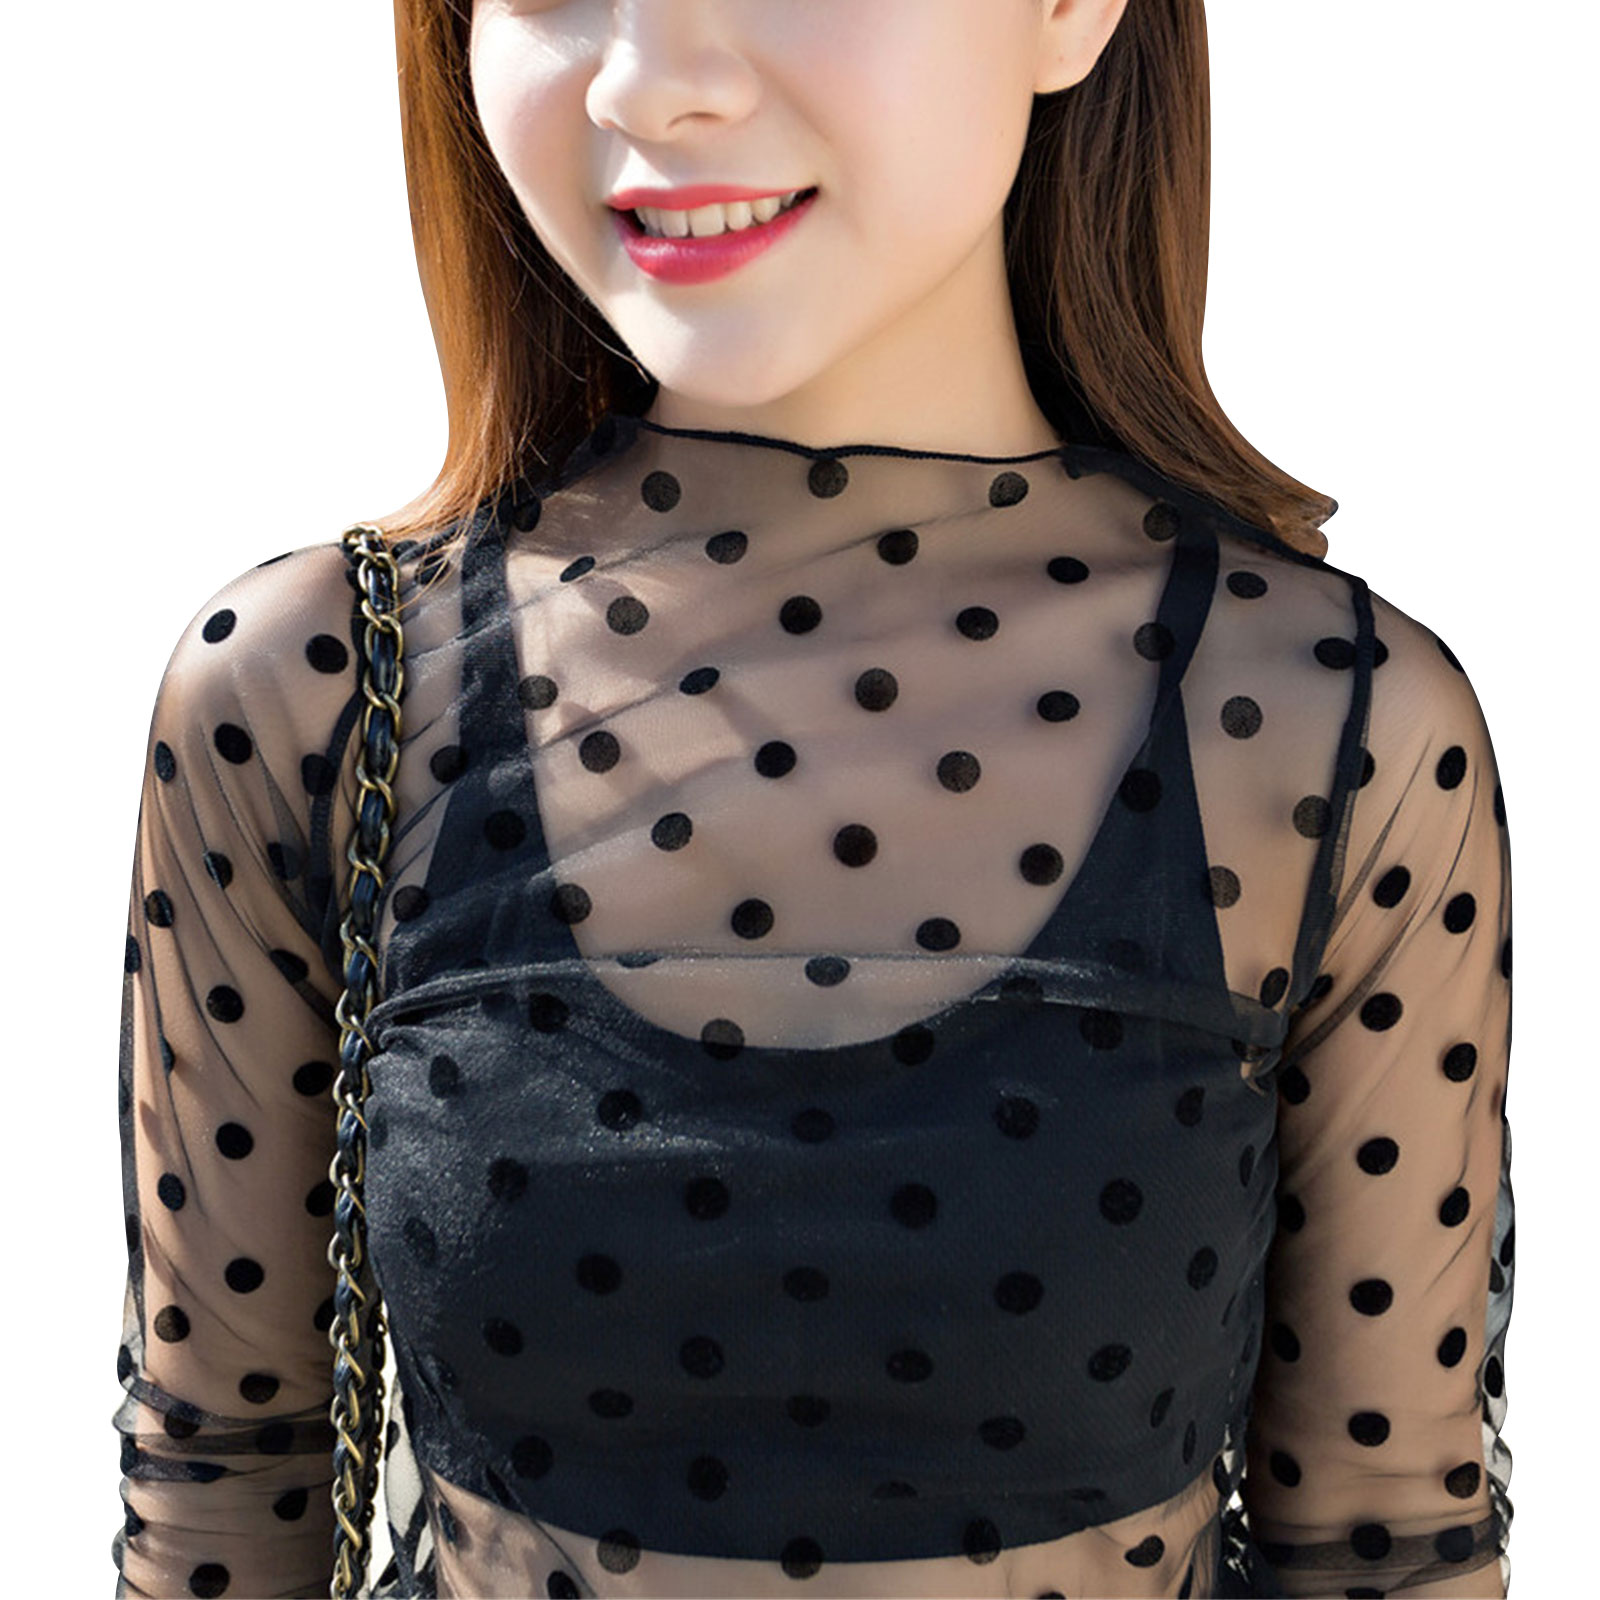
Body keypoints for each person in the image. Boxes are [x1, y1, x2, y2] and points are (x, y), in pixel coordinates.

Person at [109, 2, 1514, 1596]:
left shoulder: (1333, 728)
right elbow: (222, 1483)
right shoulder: (319, 694)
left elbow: (1387, 1537)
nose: (655, 83)